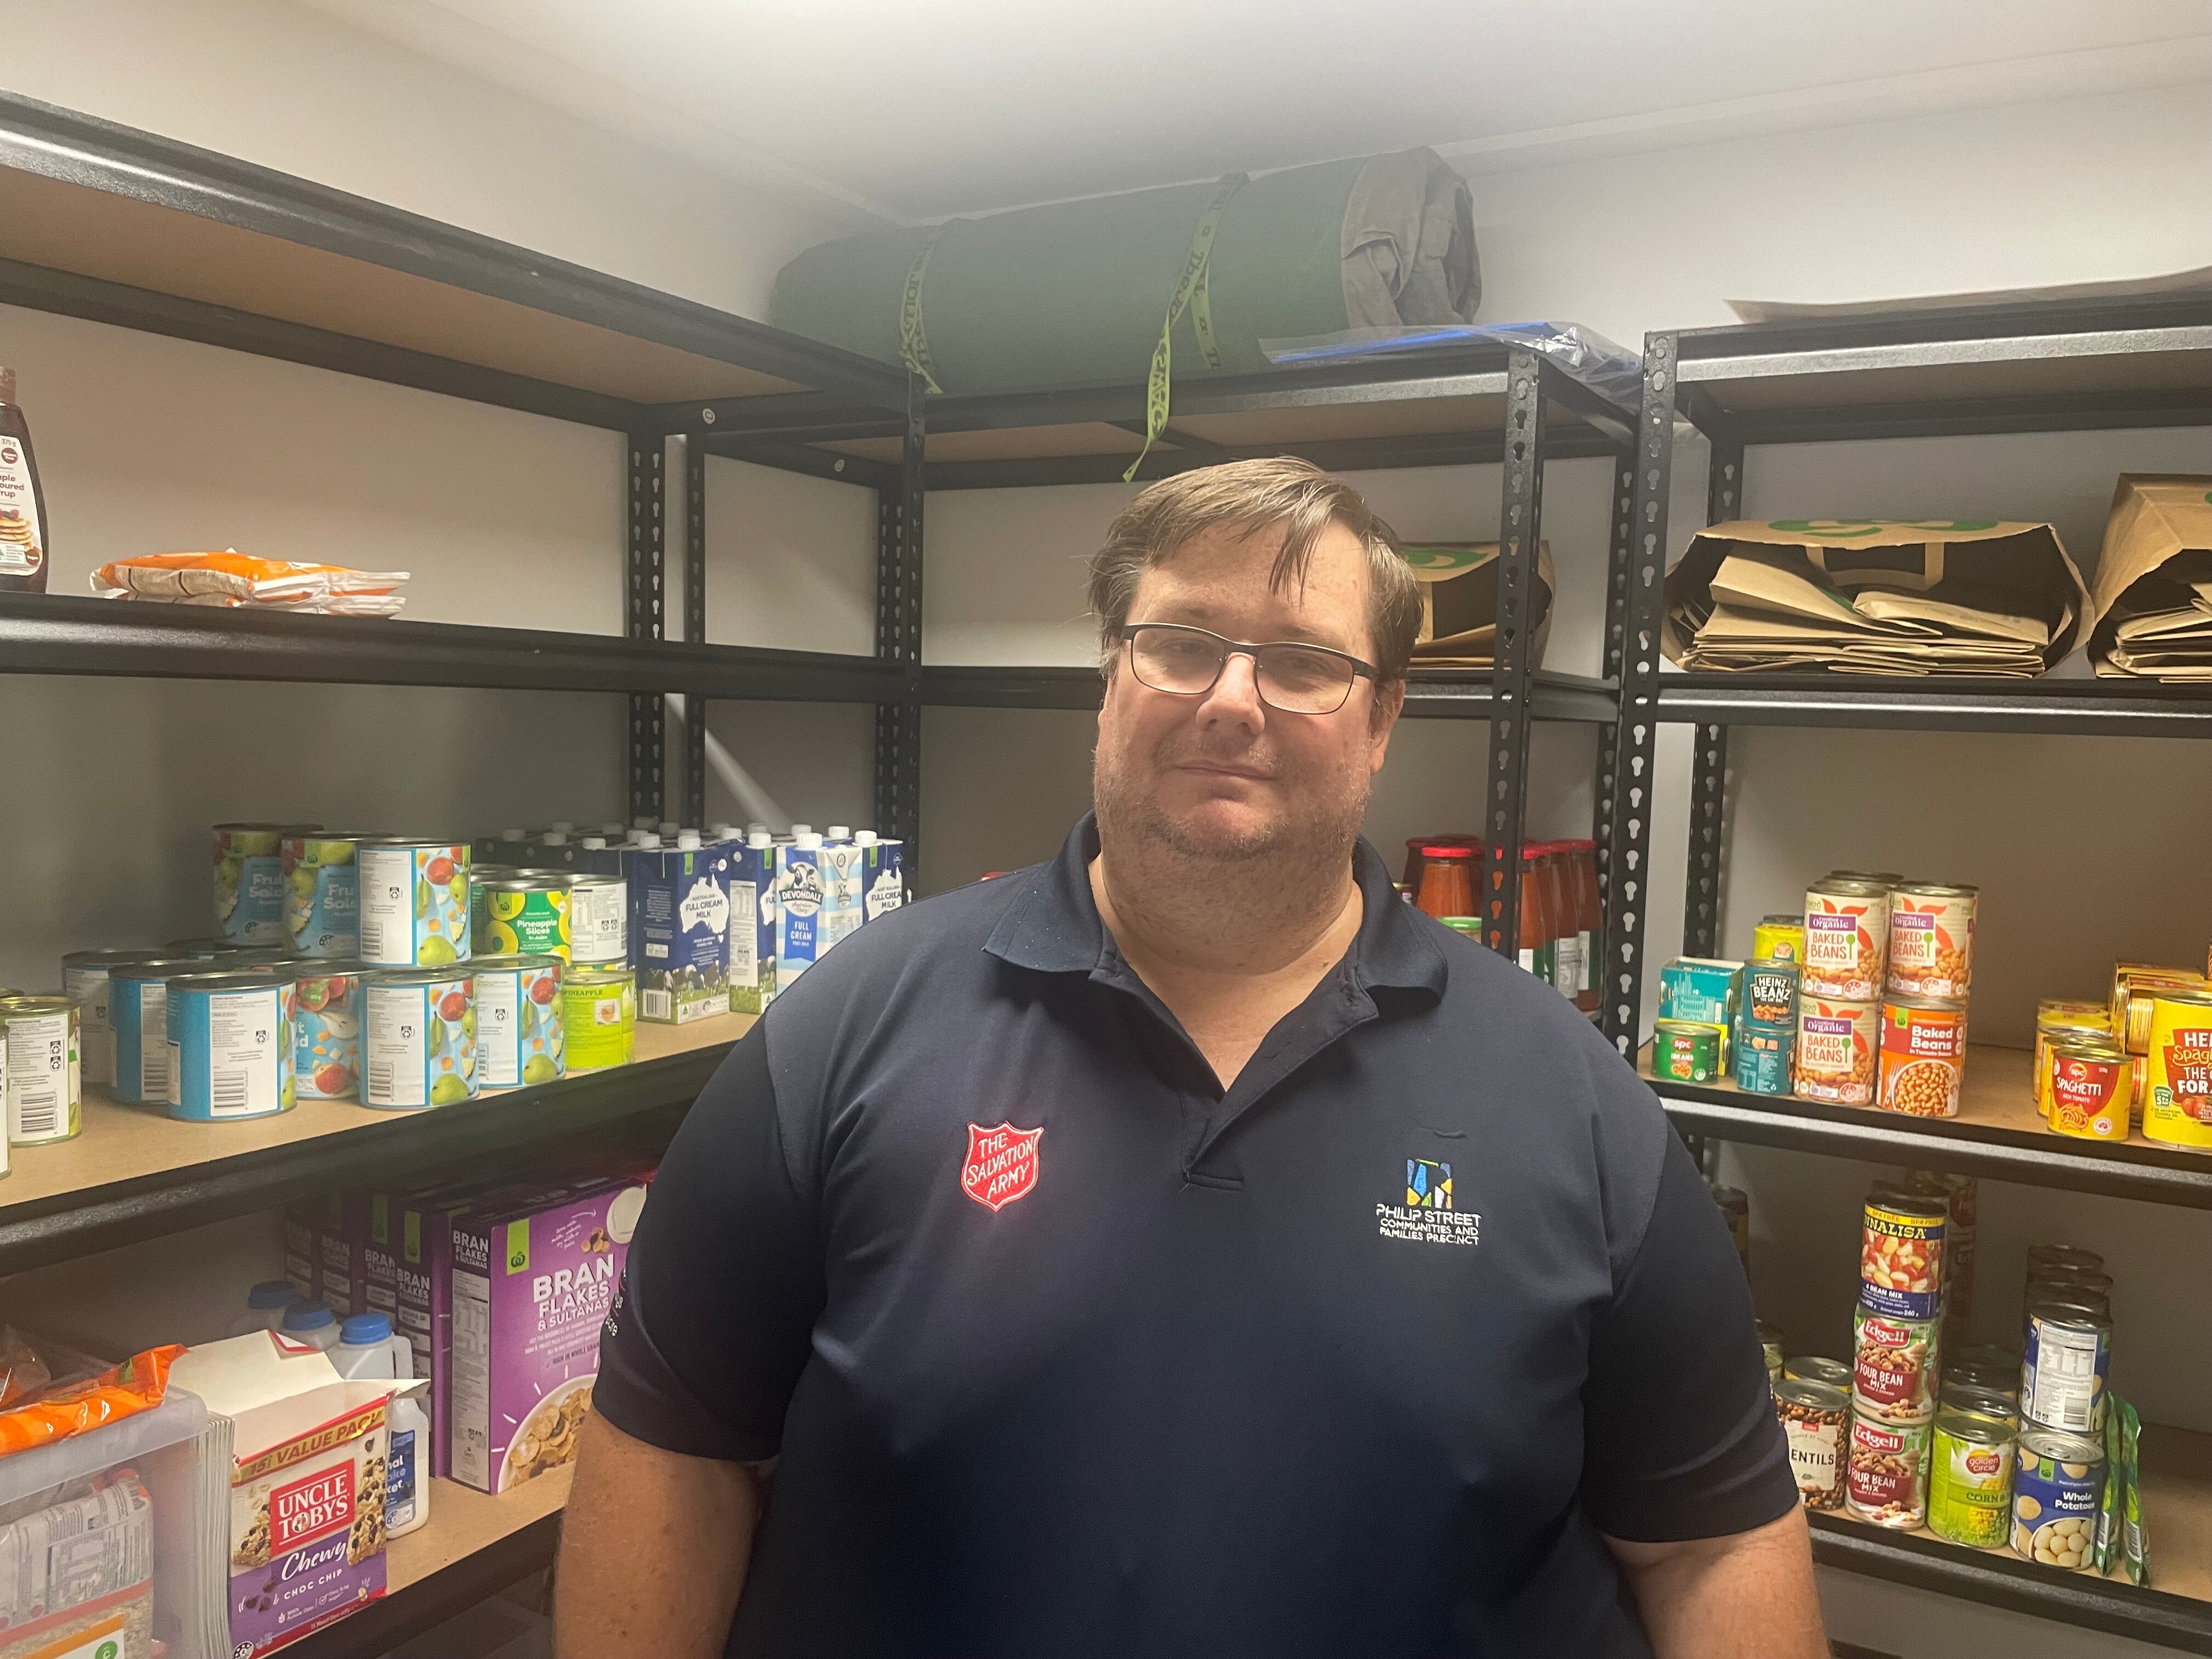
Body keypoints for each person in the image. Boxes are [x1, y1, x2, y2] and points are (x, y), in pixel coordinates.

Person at [555, 458, 1827, 1659]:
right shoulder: (848, 1028)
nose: (1231, 699)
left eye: (1303, 664)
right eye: (1182, 644)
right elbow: (673, 1444)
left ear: (1383, 719)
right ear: (1111, 679)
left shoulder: (1573, 1099)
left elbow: (1711, 1546)